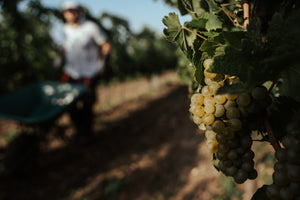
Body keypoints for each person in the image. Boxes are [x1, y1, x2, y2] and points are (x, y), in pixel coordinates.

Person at [54, 1, 111, 137]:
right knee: (68, 103)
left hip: (89, 73)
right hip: (71, 72)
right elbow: (65, 46)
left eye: (73, 11)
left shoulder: (90, 27)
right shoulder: (65, 29)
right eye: (68, 11)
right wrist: (58, 59)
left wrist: (103, 60)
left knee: (87, 104)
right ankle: (80, 129)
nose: (71, 14)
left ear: (79, 12)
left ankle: (87, 133)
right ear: (65, 14)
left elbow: (105, 44)